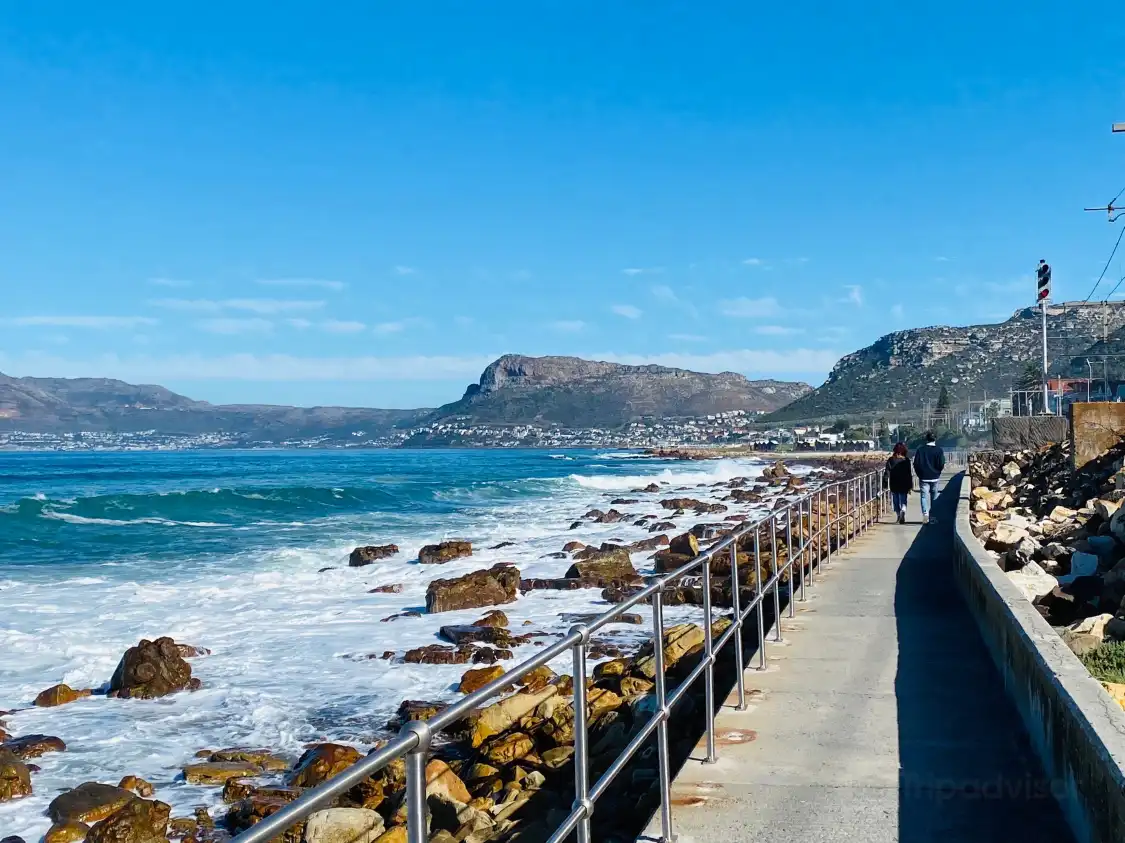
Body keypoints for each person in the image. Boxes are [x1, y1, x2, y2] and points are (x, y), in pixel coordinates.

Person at [912, 431, 945, 524]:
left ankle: (925, 514)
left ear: (926, 439)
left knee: (923, 496)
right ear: (935, 439)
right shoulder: (939, 450)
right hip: (935, 477)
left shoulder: (920, 450)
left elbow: (916, 464)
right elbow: (942, 463)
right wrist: (938, 472)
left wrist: (919, 474)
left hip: (923, 477)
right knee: (934, 497)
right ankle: (933, 516)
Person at [884, 442, 912, 524]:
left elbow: (887, 472)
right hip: (904, 483)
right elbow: (909, 474)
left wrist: (885, 484)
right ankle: (903, 510)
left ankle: (898, 515)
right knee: (903, 500)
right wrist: (910, 485)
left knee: (895, 500)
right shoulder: (906, 460)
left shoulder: (891, 460)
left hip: (894, 483)